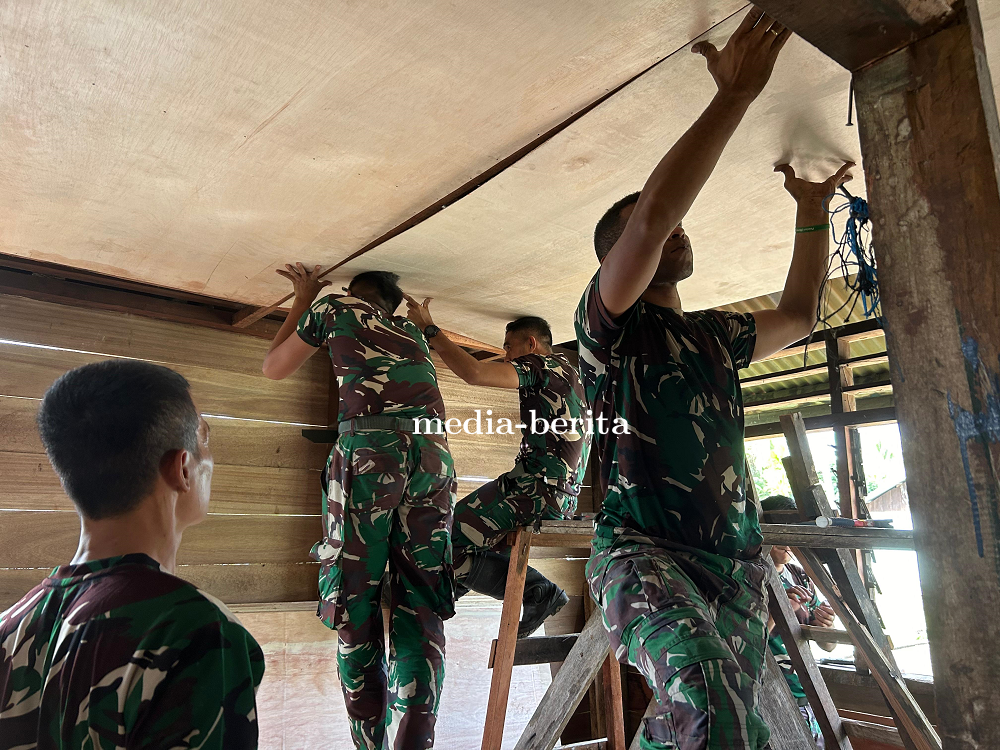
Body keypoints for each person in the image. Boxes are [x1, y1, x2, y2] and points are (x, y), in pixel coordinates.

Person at [574, 9, 854, 749]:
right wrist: (734, 95)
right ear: (616, 258)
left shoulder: (716, 335)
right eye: (654, 229)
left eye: (679, 228)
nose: (676, 230)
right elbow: (651, 219)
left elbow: (799, 314)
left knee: (709, 727)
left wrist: (812, 213)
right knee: (705, 692)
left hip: (734, 565)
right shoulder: (610, 327)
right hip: (640, 553)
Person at [0, 360, 264, 749]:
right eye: (204, 438)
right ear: (182, 468)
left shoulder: (10, 628)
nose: (210, 456)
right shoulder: (196, 630)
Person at [262, 264, 456, 750]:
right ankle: (416, 741)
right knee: (422, 602)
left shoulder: (335, 307)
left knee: (353, 600)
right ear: (392, 304)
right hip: (434, 458)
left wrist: (304, 297)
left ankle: (370, 743)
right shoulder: (412, 331)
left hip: (371, 454)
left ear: (353, 292)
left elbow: (273, 367)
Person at [404, 300, 590, 637]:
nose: (506, 357)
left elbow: (474, 373)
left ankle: (537, 591)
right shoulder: (571, 373)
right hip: (558, 494)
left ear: (531, 344)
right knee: (466, 541)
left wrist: (430, 330)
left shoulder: (541, 365)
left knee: (444, 536)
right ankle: (446, 591)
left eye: (508, 347)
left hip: (535, 491)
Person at [762, 495, 837, 747]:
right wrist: (778, 612)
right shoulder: (751, 580)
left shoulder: (799, 577)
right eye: (779, 534)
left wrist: (826, 625)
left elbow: (828, 646)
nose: (786, 543)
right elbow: (746, 645)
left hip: (806, 694)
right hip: (770, 695)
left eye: (791, 534)